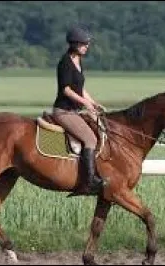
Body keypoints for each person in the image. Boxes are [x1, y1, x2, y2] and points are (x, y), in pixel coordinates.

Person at [52, 25, 106, 195]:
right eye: (84, 44)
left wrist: (93, 103)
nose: (87, 46)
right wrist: (85, 103)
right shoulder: (65, 63)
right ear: (75, 44)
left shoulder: (78, 61)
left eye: (87, 44)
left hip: (75, 110)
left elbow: (80, 88)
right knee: (90, 139)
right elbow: (66, 90)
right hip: (64, 111)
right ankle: (88, 182)